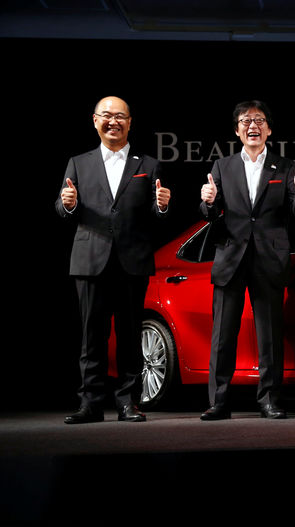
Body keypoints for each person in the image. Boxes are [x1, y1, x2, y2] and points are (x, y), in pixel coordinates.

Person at [57, 96, 171, 424]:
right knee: (91, 337)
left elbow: (156, 216)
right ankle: (90, 404)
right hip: (90, 260)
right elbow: (64, 211)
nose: (113, 121)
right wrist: (67, 204)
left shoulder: (148, 165)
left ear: (130, 122)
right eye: (106, 116)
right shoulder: (78, 163)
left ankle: (127, 402)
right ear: (95, 121)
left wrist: (161, 205)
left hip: (131, 261)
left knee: (129, 335)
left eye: (120, 116)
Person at [199, 100, 295, 420]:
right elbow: (211, 213)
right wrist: (207, 201)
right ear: (237, 130)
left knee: (269, 336)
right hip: (231, 256)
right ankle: (218, 401)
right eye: (246, 121)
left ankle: (269, 400)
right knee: (223, 335)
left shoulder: (287, 167)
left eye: (259, 120)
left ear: (269, 129)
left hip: (269, 259)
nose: (253, 126)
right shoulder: (222, 167)